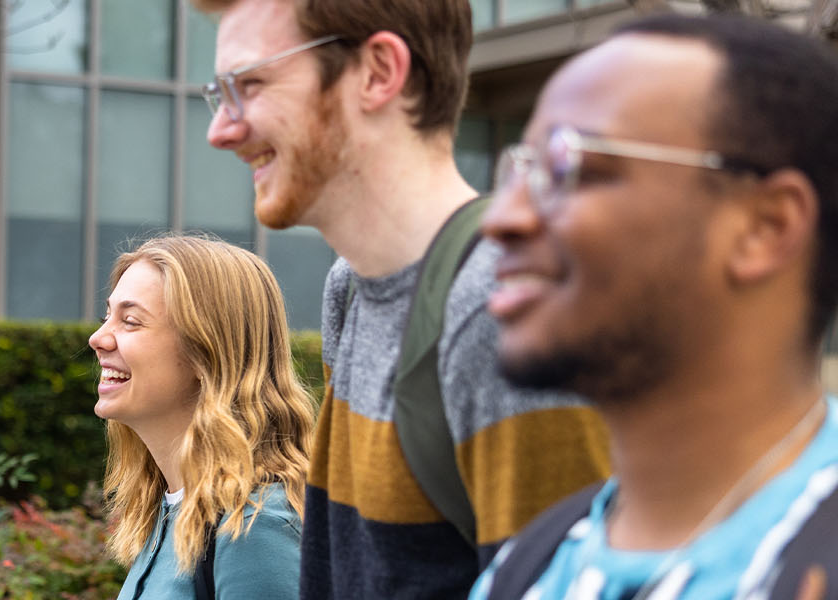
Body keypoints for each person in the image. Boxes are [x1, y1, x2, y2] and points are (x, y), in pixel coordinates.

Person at [468, 14, 838, 599]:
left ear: (766, 227)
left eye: (568, 166)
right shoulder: (529, 569)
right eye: (519, 170)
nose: (501, 218)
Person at [193, 0, 613, 596]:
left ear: (378, 72)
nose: (221, 130)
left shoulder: (503, 311)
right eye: (221, 93)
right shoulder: (350, 289)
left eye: (251, 85)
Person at [89, 235, 316, 600]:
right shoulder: (168, 511)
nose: (98, 338)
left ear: (205, 351)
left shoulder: (255, 527)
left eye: (130, 321)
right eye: (107, 316)